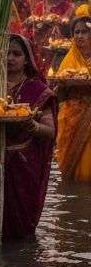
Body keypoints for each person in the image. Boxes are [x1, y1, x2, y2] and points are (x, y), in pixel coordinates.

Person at [1, 34, 57, 238]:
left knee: (19, 232)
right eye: (6, 53)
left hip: (24, 165)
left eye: (16, 54)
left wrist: (31, 125)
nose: (10, 58)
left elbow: (50, 132)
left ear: (27, 59)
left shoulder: (38, 90)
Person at [56, 10, 91, 181]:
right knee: (71, 169)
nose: (79, 36)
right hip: (72, 116)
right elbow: (60, 93)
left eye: (84, 32)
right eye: (76, 32)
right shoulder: (69, 60)